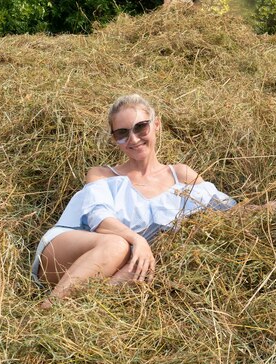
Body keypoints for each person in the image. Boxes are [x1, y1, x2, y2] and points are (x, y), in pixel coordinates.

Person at [32, 94, 236, 308]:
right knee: (118, 245)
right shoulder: (102, 175)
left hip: (117, 263)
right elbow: (99, 220)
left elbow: (227, 209)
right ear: (115, 139)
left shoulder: (181, 176)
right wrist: (138, 240)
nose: (133, 138)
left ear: (156, 125)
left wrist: (269, 208)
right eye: (122, 133)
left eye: (141, 127)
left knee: (140, 268)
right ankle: (49, 307)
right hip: (66, 252)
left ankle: (85, 309)